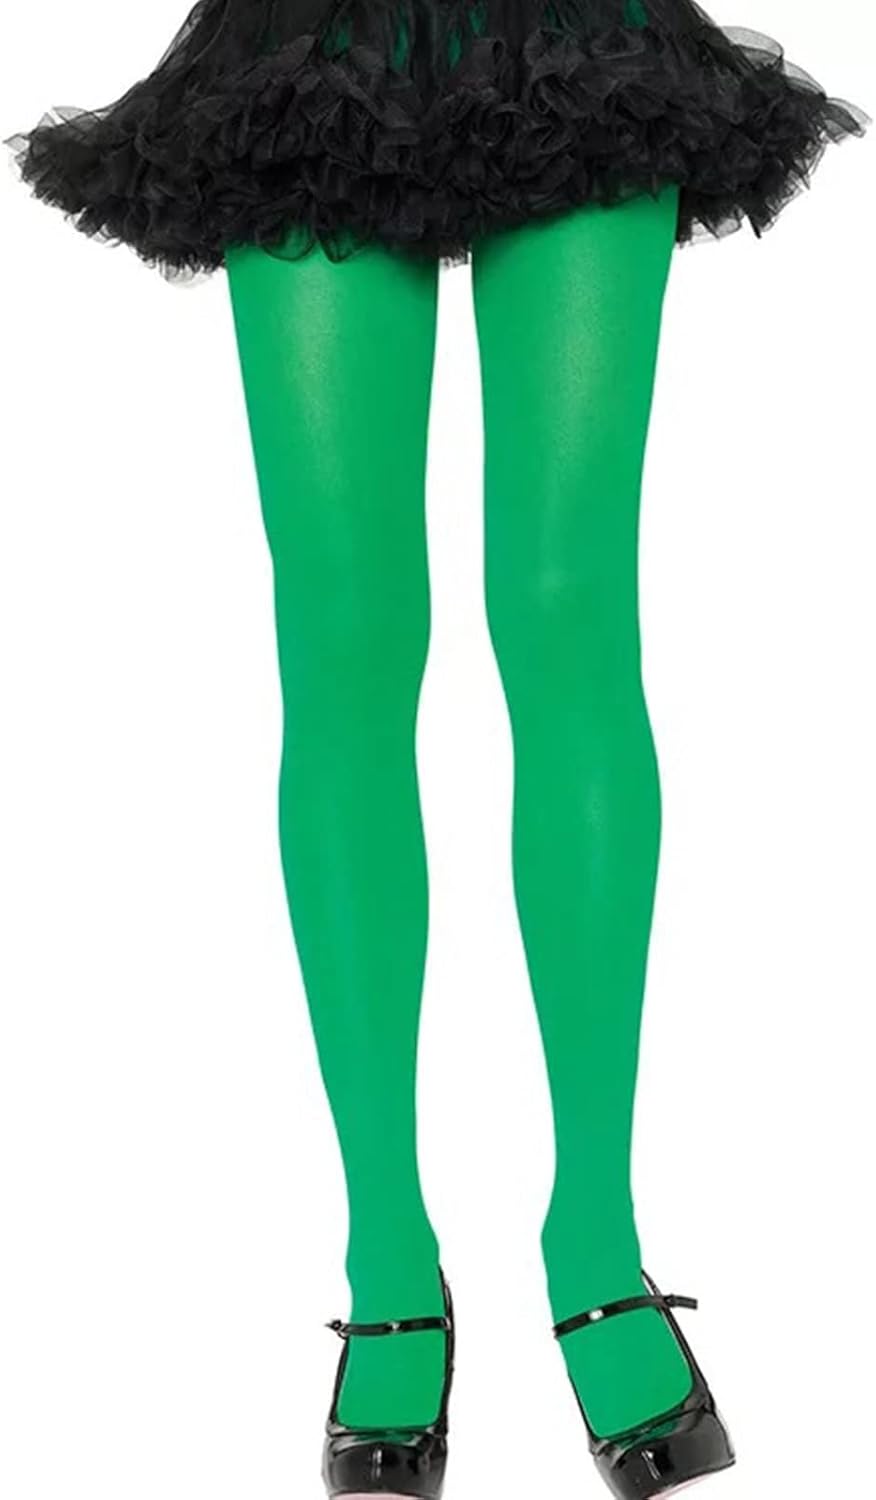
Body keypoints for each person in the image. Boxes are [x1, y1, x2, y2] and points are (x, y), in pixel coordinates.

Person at [6, 2, 870, 1496]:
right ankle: (388, 1250)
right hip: (308, 36)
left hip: (577, 28)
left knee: (567, 605)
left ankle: (595, 1233)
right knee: (342, 634)